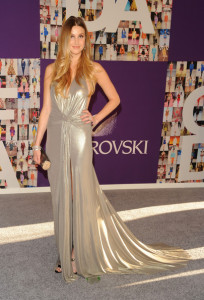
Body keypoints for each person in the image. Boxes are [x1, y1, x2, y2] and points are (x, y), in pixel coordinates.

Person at [33, 16, 190, 284]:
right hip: (56, 137)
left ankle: (75, 252)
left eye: (81, 36)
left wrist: (95, 118)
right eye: (72, 36)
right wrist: (36, 145)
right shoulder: (51, 70)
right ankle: (65, 248)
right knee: (61, 196)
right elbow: (46, 110)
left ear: (86, 40)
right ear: (64, 39)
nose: (76, 41)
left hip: (81, 138)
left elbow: (115, 99)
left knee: (78, 195)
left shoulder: (94, 69)